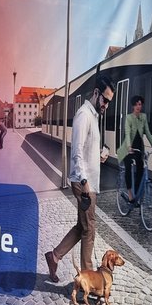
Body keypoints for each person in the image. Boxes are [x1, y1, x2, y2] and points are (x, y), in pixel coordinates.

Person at [45, 74, 115, 282]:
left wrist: (99, 155)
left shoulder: (93, 116)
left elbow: (85, 150)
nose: (106, 105)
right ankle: (89, 279)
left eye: (109, 102)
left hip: (88, 181)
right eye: (105, 100)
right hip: (84, 183)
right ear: (96, 93)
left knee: (82, 226)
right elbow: (76, 152)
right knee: (89, 230)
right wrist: (84, 182)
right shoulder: (84, 115)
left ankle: (54, 256)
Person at [116, 95, 152, 201]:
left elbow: (147, 132)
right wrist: (129, 146)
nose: (138, 106)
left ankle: (137, 193)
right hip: (128, 148)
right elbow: (127, 133)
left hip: (139, 147)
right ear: (133, 106)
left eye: (140, 104)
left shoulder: (143, 117)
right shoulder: (129, 118)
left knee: (141, 169)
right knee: (128, 168)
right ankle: (130, 194)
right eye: (136, 105)